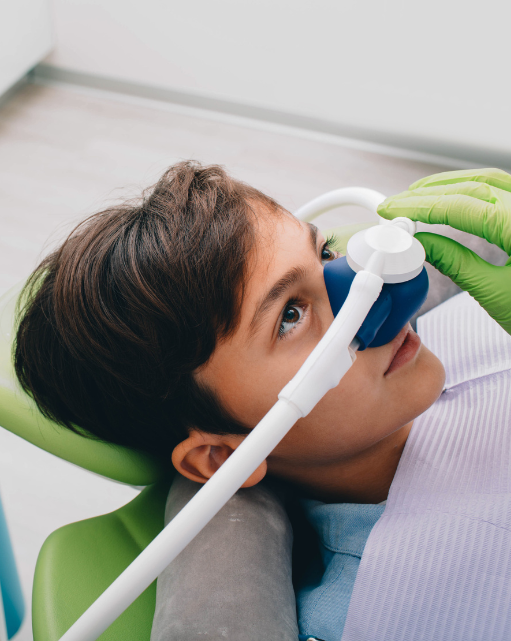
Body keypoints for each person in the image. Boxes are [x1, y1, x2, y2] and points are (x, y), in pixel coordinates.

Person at [15, 162, 511, 639]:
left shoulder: (480, 311)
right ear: (223, 456)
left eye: (325, 255)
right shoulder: (380, 612)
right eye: (290, 315)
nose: (373, 292)